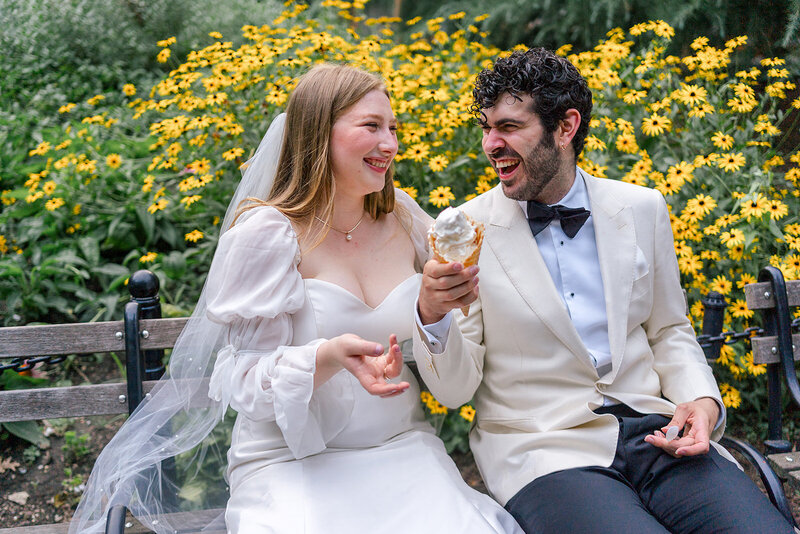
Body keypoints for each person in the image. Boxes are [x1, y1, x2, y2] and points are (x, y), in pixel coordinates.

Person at [69, 64, 523, 534]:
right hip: (291, 461)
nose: (390, 143)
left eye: (393, 128)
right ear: (317, 132)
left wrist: (432, 313)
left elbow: (454, 376)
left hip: (401, 448)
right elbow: (242, 381)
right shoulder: (266, 236)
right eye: (371, 126)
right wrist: (325, 357)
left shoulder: (404, 218)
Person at [413, 48, 795, 533]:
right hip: (544, 450)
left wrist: (701, 401)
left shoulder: (641, 207)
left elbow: (669, 330)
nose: (491, 144)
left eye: (509, 127)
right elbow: (453, 390)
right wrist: (433, 314)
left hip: (658, 432)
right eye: (487, 127)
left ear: (566, 127)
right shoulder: (467, 231)